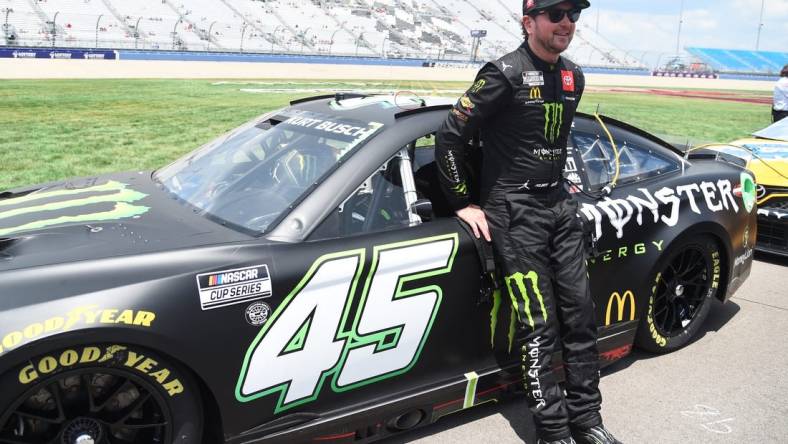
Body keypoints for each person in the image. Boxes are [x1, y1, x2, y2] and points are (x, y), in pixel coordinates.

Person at [435, 1, 621, 443]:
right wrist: (463, 201)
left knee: (580, 317)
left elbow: (558, 140)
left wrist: (571, 188)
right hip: (514, 214)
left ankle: (588, 421)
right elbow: (449, 136)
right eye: (556, 14)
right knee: (538, 326)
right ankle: (553, 432)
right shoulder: (503, 73)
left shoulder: (574, 75)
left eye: (574, 15)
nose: (567, 23)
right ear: (529, 22)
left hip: (559, 209)